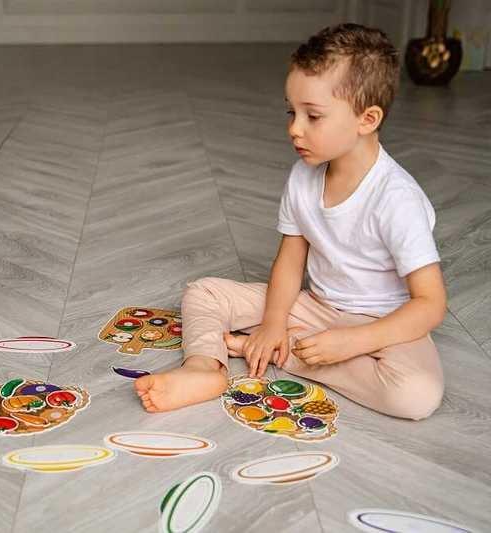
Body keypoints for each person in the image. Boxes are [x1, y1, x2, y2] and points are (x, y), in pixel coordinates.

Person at [135, 24, 446, 421]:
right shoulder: (304, 177)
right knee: (203, 293)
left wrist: (353, 341)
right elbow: (290, 260)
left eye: (312, 116)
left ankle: (283, 353)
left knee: (415, 396)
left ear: (367, 119)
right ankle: (205, 367)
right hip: (316, 308)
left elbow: (431, 304)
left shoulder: (398, 199)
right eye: (291, 112)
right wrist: (274, 322)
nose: (294, 128)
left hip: (384, 325)